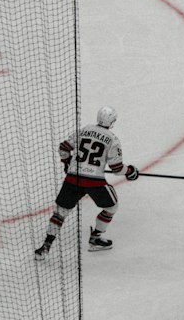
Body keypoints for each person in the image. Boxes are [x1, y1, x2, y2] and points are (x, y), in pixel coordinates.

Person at [34, 104, 138, 256]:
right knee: (111, 207)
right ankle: (95, 239)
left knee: (60, 213)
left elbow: (63, 148)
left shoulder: (85, 130)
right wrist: (130, 171)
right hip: (94, 182)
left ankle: (45, 246)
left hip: (72, 179)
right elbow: (116, 169)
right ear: (112, 122)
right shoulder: (113, 139)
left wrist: (67, 162)